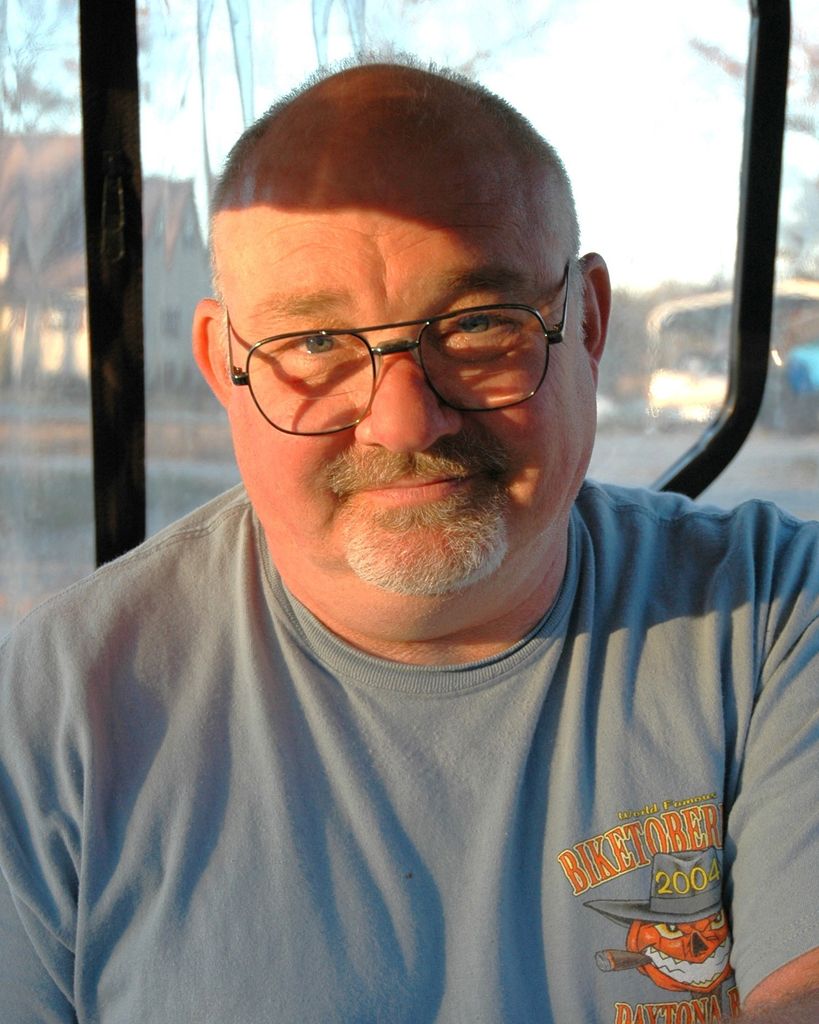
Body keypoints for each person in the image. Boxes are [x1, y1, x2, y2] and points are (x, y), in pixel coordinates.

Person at [1, 58, 818, 1024]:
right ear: (223, 365)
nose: (402, 421)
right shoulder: (56, 713)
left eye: (476, 324)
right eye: (313, 344)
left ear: (588, 322)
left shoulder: (773, 618)